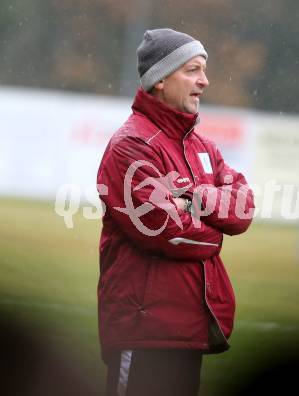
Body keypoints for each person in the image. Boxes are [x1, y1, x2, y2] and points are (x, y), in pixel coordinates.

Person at [97, 28, 254, 396]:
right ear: (160, 79)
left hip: (188, 329)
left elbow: (243, 208)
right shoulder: (132, 145)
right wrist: (214, 225)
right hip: (145, 329)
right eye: (193, 70)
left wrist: (193, 198)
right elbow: (168, 232)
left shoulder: (202, 145)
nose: (205, 81)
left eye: (204, 70)